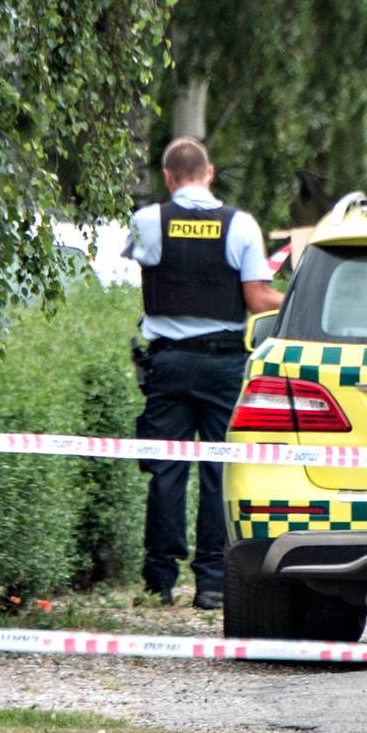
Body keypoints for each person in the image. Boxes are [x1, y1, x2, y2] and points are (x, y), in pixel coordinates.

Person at [124, 137, 283, 608]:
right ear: (209, 174)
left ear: (169, 177)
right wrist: (297, 300)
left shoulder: (147, 221)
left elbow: (143, 274)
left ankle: (160, 581)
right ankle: (212, 582)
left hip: (168, 362)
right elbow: (257, 300)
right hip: (224, 364)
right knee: (218, 472)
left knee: (166, 470)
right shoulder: (241, 225)